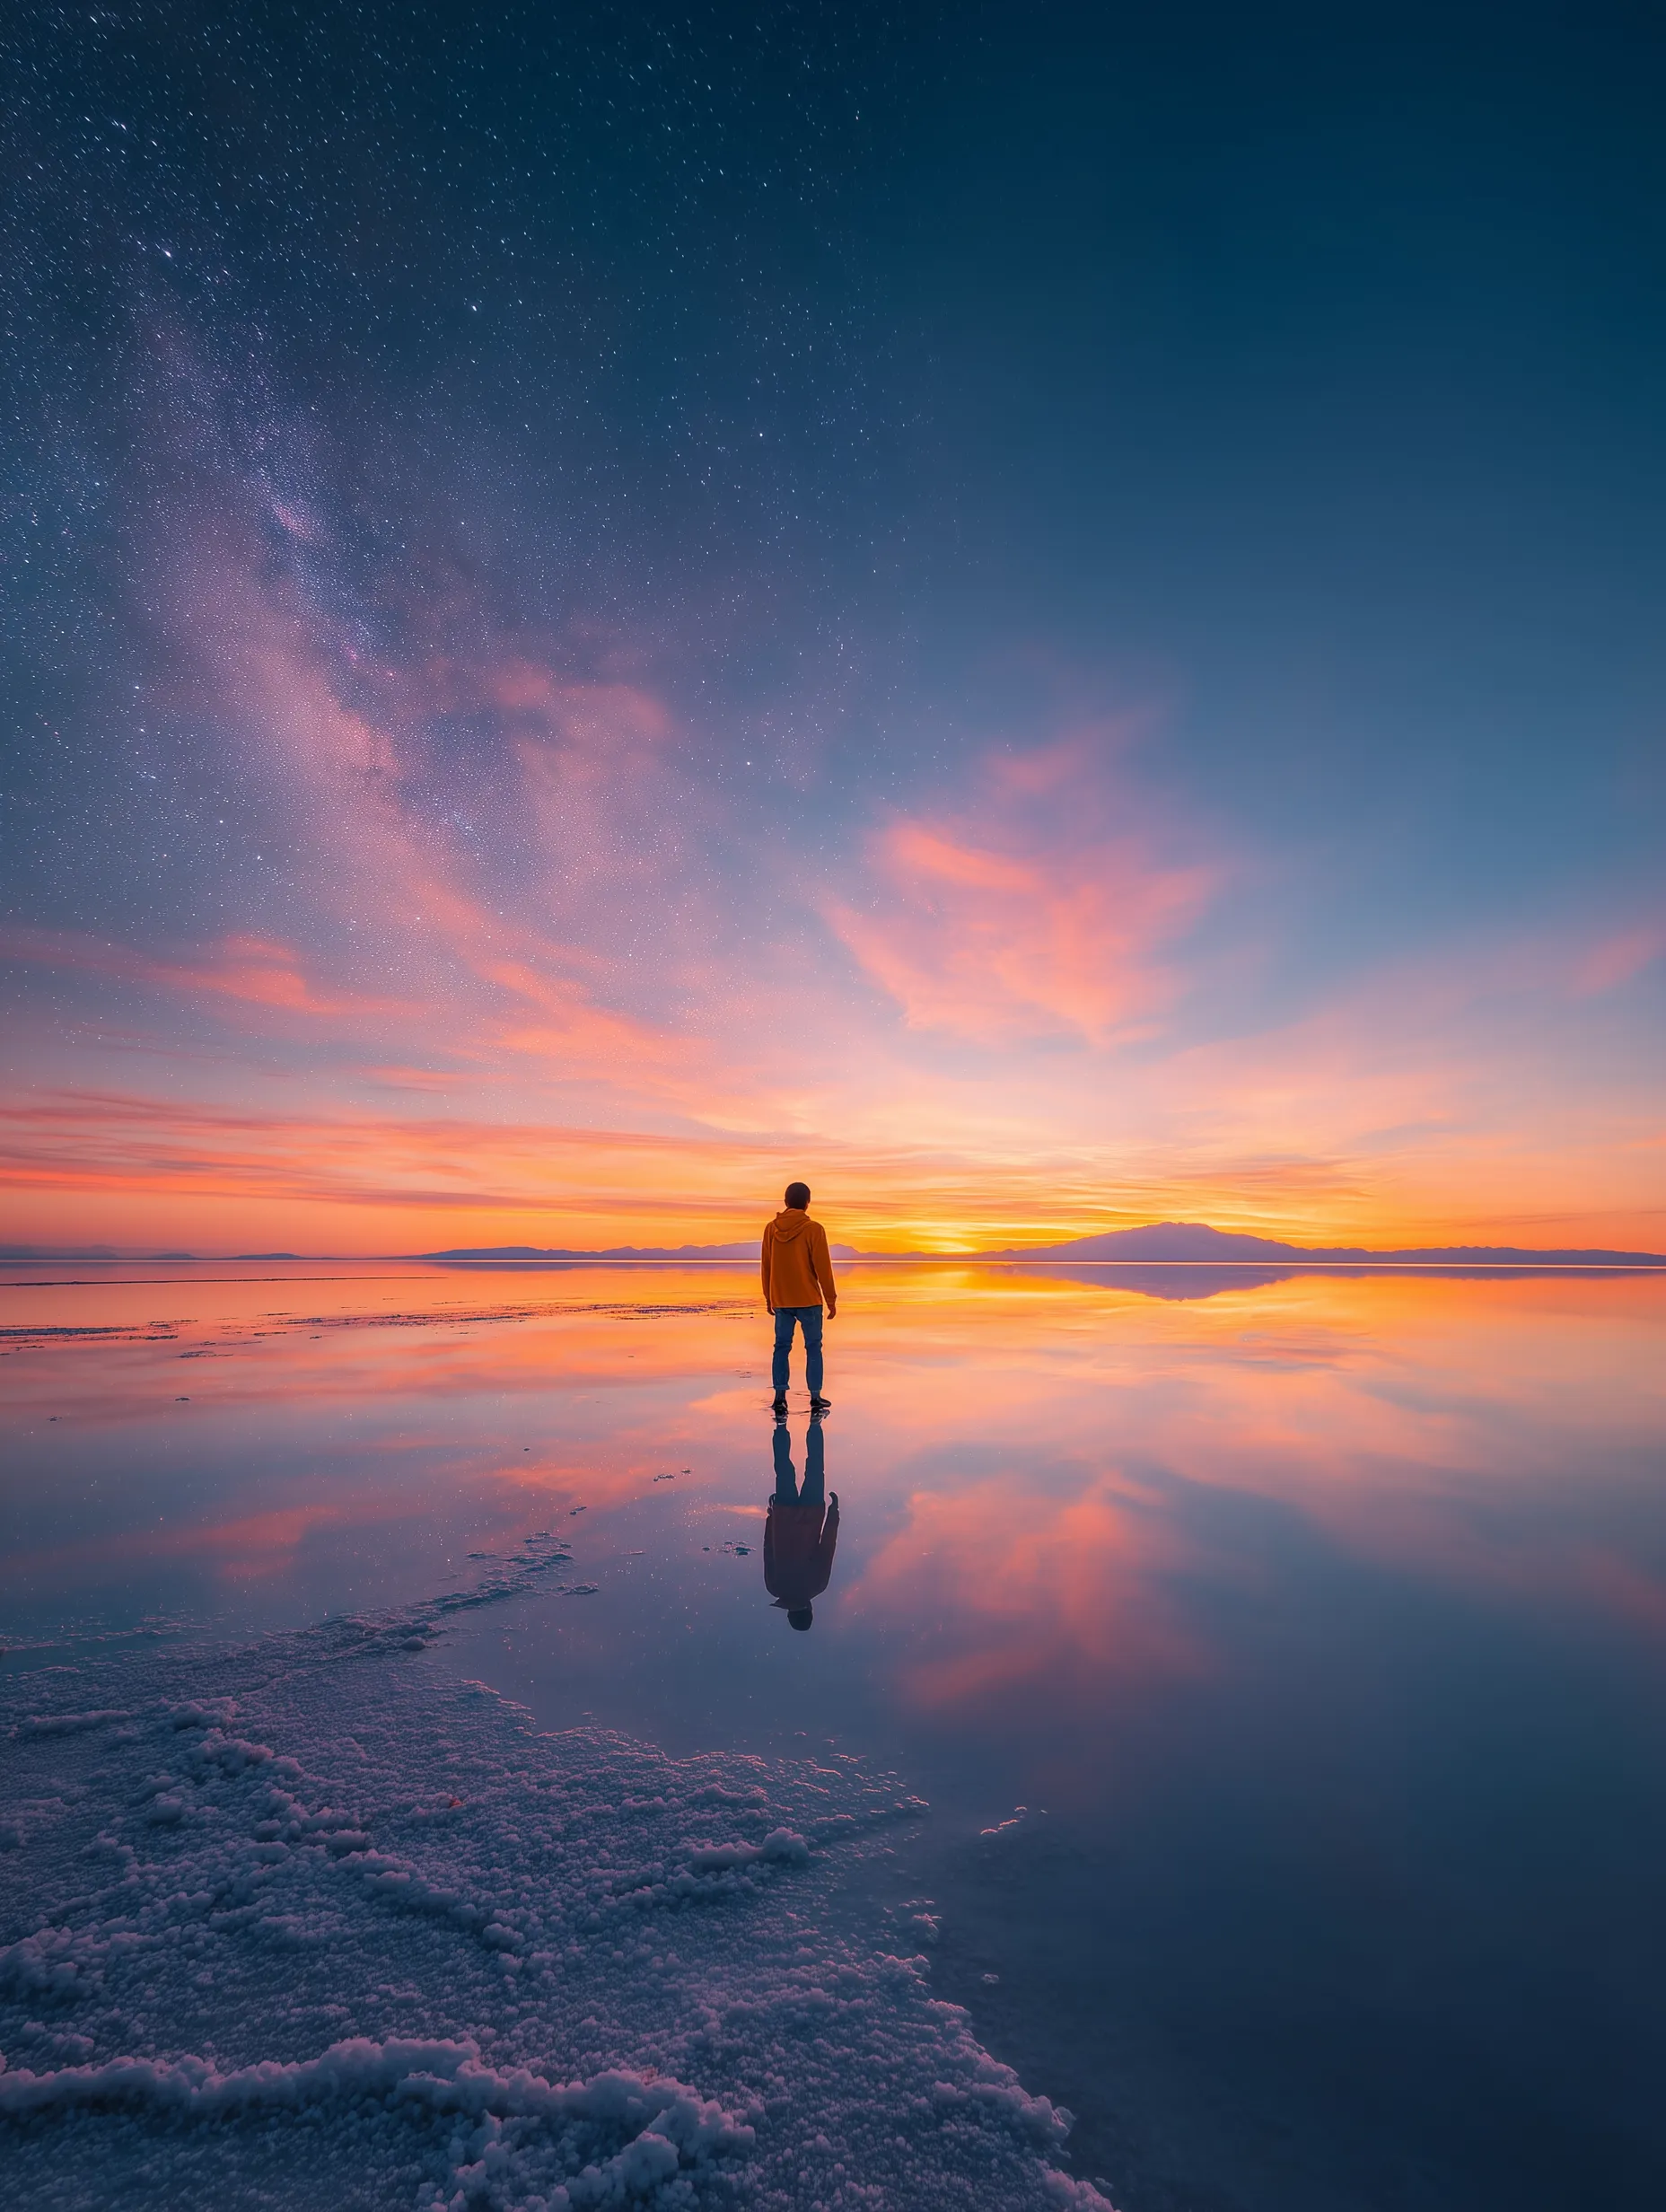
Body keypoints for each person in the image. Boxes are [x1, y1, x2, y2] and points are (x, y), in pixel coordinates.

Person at [761, 1181, 837, 1418]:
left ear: (786, 1202)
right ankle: (815, 1397)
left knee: (781, 1347)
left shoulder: (771, 1229)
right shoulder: (814, 1229)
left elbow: (766, 1265)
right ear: (807, 1203)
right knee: (813, 1348)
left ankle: (780, 1399)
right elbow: (823, 1268)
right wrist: (831, 1299)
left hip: (782, 1299)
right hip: (809, 1300)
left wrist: (769, 1297)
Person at [765, 1416, 839, 1631]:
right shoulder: (774, 1587)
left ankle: (815, 1424)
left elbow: (828, 1545)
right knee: (783, 1469)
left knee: (815, 1467)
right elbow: (768, 1549)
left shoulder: (817, 1585)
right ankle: (781, 1425)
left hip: (811, 1513)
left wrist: (833, 1513)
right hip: (784, 1514)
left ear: (810, 1610)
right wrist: (771, 1517)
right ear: (790, 1614)